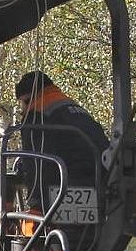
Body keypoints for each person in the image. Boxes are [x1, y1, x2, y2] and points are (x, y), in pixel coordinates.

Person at [13, 71, 110, 212]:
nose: (22, 111)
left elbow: (37, 164)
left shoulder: (34, 116)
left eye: (21, 104)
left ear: (26, 98)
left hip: (62, 191)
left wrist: (36, 204)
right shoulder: (75, 108)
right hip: (99, 188)